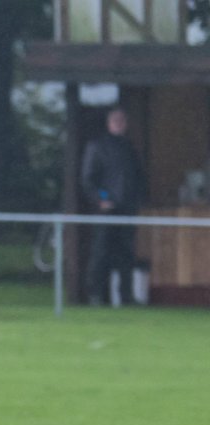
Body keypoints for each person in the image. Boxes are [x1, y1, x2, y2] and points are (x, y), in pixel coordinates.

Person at [81, 106, 145, 306]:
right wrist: (102, 198)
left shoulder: (129, 148)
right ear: (109, 124)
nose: (119, 124)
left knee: (126, 253)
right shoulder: (97, 147)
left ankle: (126, 296)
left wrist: (136, 199)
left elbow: (137, 177)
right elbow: (88, 179)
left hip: (126, 208)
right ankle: (96, 295)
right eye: (116, 121)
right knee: (101, 252)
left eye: (122, 121)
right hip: (106, 209)